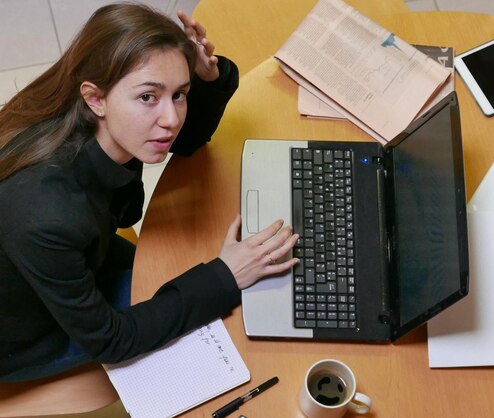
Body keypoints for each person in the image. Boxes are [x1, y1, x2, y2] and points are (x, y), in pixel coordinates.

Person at [0, 3, 298, 382]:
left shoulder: (84, 114)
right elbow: (111, 339)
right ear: (95, 98)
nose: (171, 119)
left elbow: (185, 142)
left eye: (179, 94)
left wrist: (207, 78)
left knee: (193, 275)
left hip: (77, 254)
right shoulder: (46, 217)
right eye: (148, 97)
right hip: (25, 333)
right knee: (223, 310)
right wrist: (225, 275)